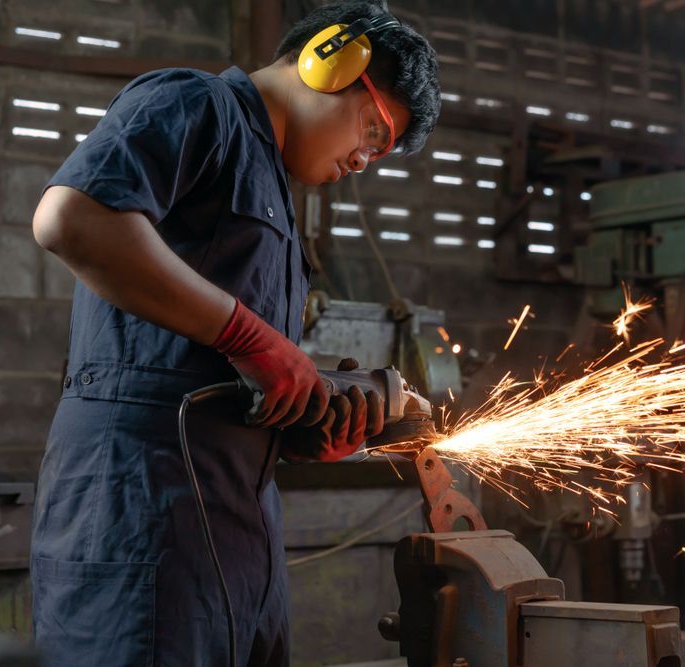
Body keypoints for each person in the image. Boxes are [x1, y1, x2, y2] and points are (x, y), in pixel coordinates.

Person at [28, 1, 440, 664]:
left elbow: (218, 368)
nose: (366, 159)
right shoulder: (198, 106)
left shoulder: (274, 193)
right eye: (374, 129)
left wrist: (304, 424)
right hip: (141, 503)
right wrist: (254, 339)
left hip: (238, 526)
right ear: (331, 62)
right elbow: (70, 220)